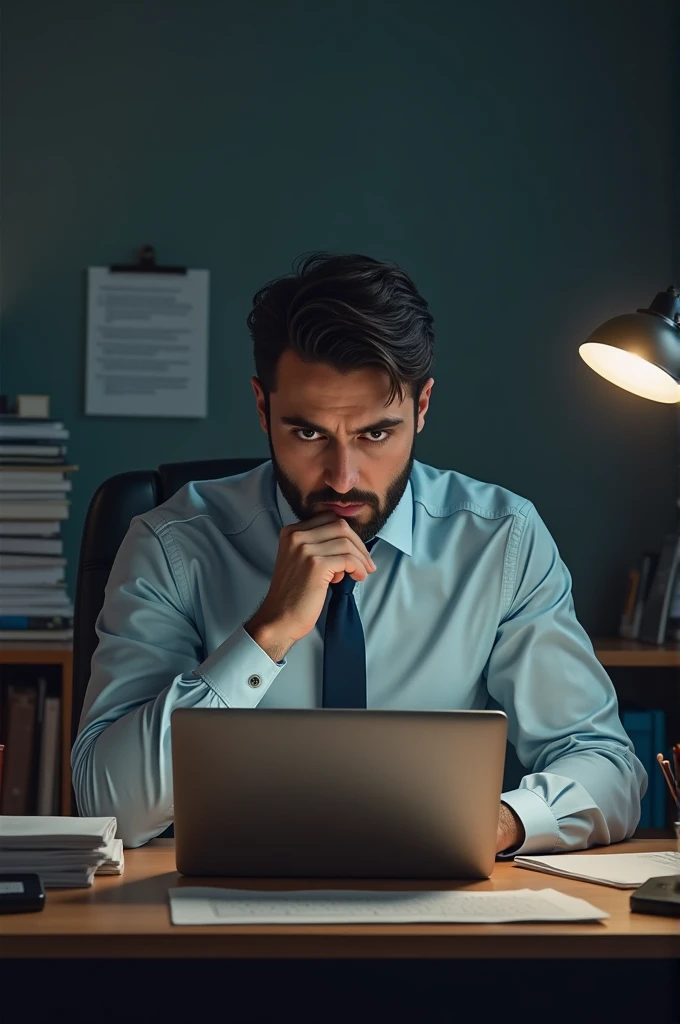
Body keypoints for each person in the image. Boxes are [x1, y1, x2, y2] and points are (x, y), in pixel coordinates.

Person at [72, 251, 646, 850]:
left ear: (421, 408)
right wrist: (265, 636)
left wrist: (492, 825)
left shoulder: (501, 542)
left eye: (375, 433)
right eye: (308, 432)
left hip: (435, 910)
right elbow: (107, 804)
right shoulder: (173, 544)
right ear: (263, 408)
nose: (342, 477)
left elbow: (608, 768)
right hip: (222, 911)